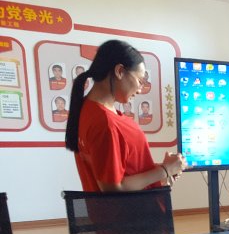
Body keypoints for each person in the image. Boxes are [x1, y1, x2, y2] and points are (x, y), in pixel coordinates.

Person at [65, 39, 184, 192]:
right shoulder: (105, 123)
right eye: (140, 81)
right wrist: (164, 170)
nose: (140, 89)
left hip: (132, 204)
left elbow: (125, 169)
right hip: (131, 207)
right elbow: (113, 188)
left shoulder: (90, 110)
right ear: (120, 71)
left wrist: (164, 170)